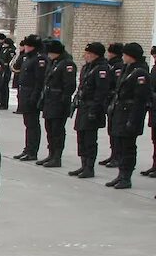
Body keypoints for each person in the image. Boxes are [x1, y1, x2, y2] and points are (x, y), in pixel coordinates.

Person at [106, 43, 152, 190]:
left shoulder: (141, 73)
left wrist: (133, 120)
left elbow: (140, 99)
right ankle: (120, 174)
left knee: (128, 147)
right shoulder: (127, 69)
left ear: (131, 56)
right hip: (121, 112)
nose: (123, 57)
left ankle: (126, 177)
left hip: (130, 113)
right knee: (119, 145)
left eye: (125, 54)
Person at [68, 42, 112, 179]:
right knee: (81, 136)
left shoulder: (101, 69)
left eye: (87, 53)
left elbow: (101, 92)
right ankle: (83, 164)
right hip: (83, 106)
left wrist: (94, 109)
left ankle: (89, 167)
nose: (85, 55)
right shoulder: (88, 67)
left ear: (94, 54)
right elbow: (82, 86)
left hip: (92, 107)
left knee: (89, 139)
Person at [37, 39, 75, 169]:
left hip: (58, 101)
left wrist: (63, 100)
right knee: (49, 129)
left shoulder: (67, 64)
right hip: (49, 100)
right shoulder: (54, 62)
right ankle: (51, 154)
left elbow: (69, 85)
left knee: (57, 130)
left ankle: (57, 156)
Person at [11, 35, 46, 161]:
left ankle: (32, 151)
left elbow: (39, 81)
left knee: (32, 124)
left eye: (27, 45)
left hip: (31, 94)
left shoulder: (39, 59)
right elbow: (16, 66)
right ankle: (27, 149)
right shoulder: (27, 57)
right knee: (28, 124)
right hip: (24, 93)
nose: (24, 47)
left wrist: (34, 97)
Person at [102, 43, 127, 168]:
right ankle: (113, 154)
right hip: (109, 101)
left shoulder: (118, 66)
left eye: (110, 52)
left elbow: (116, 84)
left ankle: (117, 156)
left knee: (115, 130)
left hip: (115, 100)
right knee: (111, 130)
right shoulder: (110, 64)